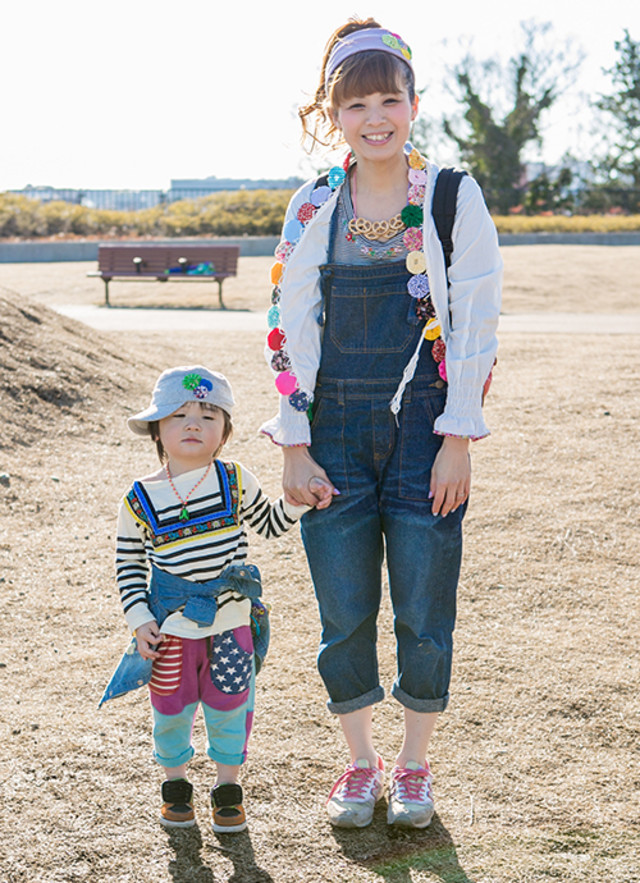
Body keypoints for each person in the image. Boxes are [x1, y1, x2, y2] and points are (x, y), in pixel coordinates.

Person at [261, 18, 502, 829]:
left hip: (428, 429)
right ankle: (360, 764)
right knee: (344, 608)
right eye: (356, 102)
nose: (375, 116)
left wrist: (458, 438)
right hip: (331, 430)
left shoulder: (449, 195)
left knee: (426, 606)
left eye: (388, 99)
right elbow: (288, 326)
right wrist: (294, 442)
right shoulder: (312, 204)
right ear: (332, 115)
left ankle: (416, 766)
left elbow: (476, 319)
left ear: (413, 103)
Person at [103, 365, 308, 833]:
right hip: (171, 629)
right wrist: (139, 620)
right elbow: (129, 566)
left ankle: (227, 790)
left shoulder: (235, 480)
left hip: (231, 623)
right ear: (157, 428)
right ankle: (175, 787)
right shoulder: (138, 499)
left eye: (209, 415)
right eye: (179, 415)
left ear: (225, 432)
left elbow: (271, 524)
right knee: (171, 707)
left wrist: (300, 500)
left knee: (230, 704)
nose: (194, 424)